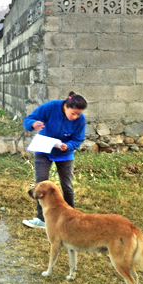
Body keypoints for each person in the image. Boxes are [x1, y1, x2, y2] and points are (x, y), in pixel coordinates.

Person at [22, 91, 87, 229]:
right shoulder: (51, 107)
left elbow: (78, 139)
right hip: (43, 149)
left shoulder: (80, 120)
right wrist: (33, 124)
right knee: (41, 184)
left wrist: (68, 146)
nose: (75, 117)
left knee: (67, 185)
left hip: (64, 153)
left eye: (78, 114)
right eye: (73, 113)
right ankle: (41, 219)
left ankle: (71, 217)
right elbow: (29, 119)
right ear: (66, 106)